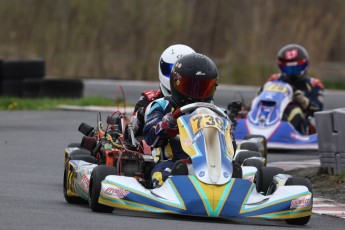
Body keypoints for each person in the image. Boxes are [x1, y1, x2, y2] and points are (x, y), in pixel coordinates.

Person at [143, 53, 237, 188]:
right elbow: (149, 137)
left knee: (248, 172)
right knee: (163, 176)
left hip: (217, 166)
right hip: (175, 162)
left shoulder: (219, 113)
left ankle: (226, 182)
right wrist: (164, 126)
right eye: (191, 87)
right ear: (176, 83)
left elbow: (230, 146)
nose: (197, 93)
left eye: (204, 88)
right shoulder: (161, 106)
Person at [129, 44, 195, 137]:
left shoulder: (202, 101)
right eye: (174, 71)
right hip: (160, 147)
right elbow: (132, 131)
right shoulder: (149, 99)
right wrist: (142, 115)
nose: (179, 77)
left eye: (185, 73)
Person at [264, 44, 324, 134]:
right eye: (288, 69)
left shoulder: (313, 84)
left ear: (305, 65)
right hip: (273, 115)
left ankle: (289, 135)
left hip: (302, 124)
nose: (292, 73)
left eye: (297, 68)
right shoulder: (274, 80)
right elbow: (260, 98)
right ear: (281, 67)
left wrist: (303, 101)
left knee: (295, 111)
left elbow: (318, 108)